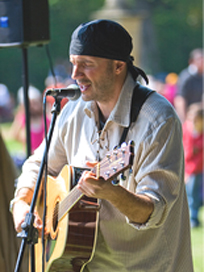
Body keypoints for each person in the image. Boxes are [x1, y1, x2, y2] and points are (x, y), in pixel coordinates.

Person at [10, 19, 193, 271]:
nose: (75, 75)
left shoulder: (158, 120)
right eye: (74, 63)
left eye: (86, 64)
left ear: (118, 66)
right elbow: (40, 165)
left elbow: (154, 211)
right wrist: (22, 202)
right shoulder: (73, 110)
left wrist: (111, 192)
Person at [182, 103, 203, 228]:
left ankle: (194, 217)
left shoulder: (200, 134)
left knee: (195, 195)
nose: (193, 123)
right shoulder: (187, 131)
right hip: (190, 170)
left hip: (199, 169)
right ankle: (192, 218)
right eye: (191, 120)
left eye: (196, 120)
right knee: (190, 195)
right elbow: (186, 153)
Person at [174, 48, 204, 123]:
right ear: (192, 61)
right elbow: (180, 99)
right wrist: (184, 121)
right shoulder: (186, 77)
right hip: (189, 117)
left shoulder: (202, 76)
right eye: (199, 59)